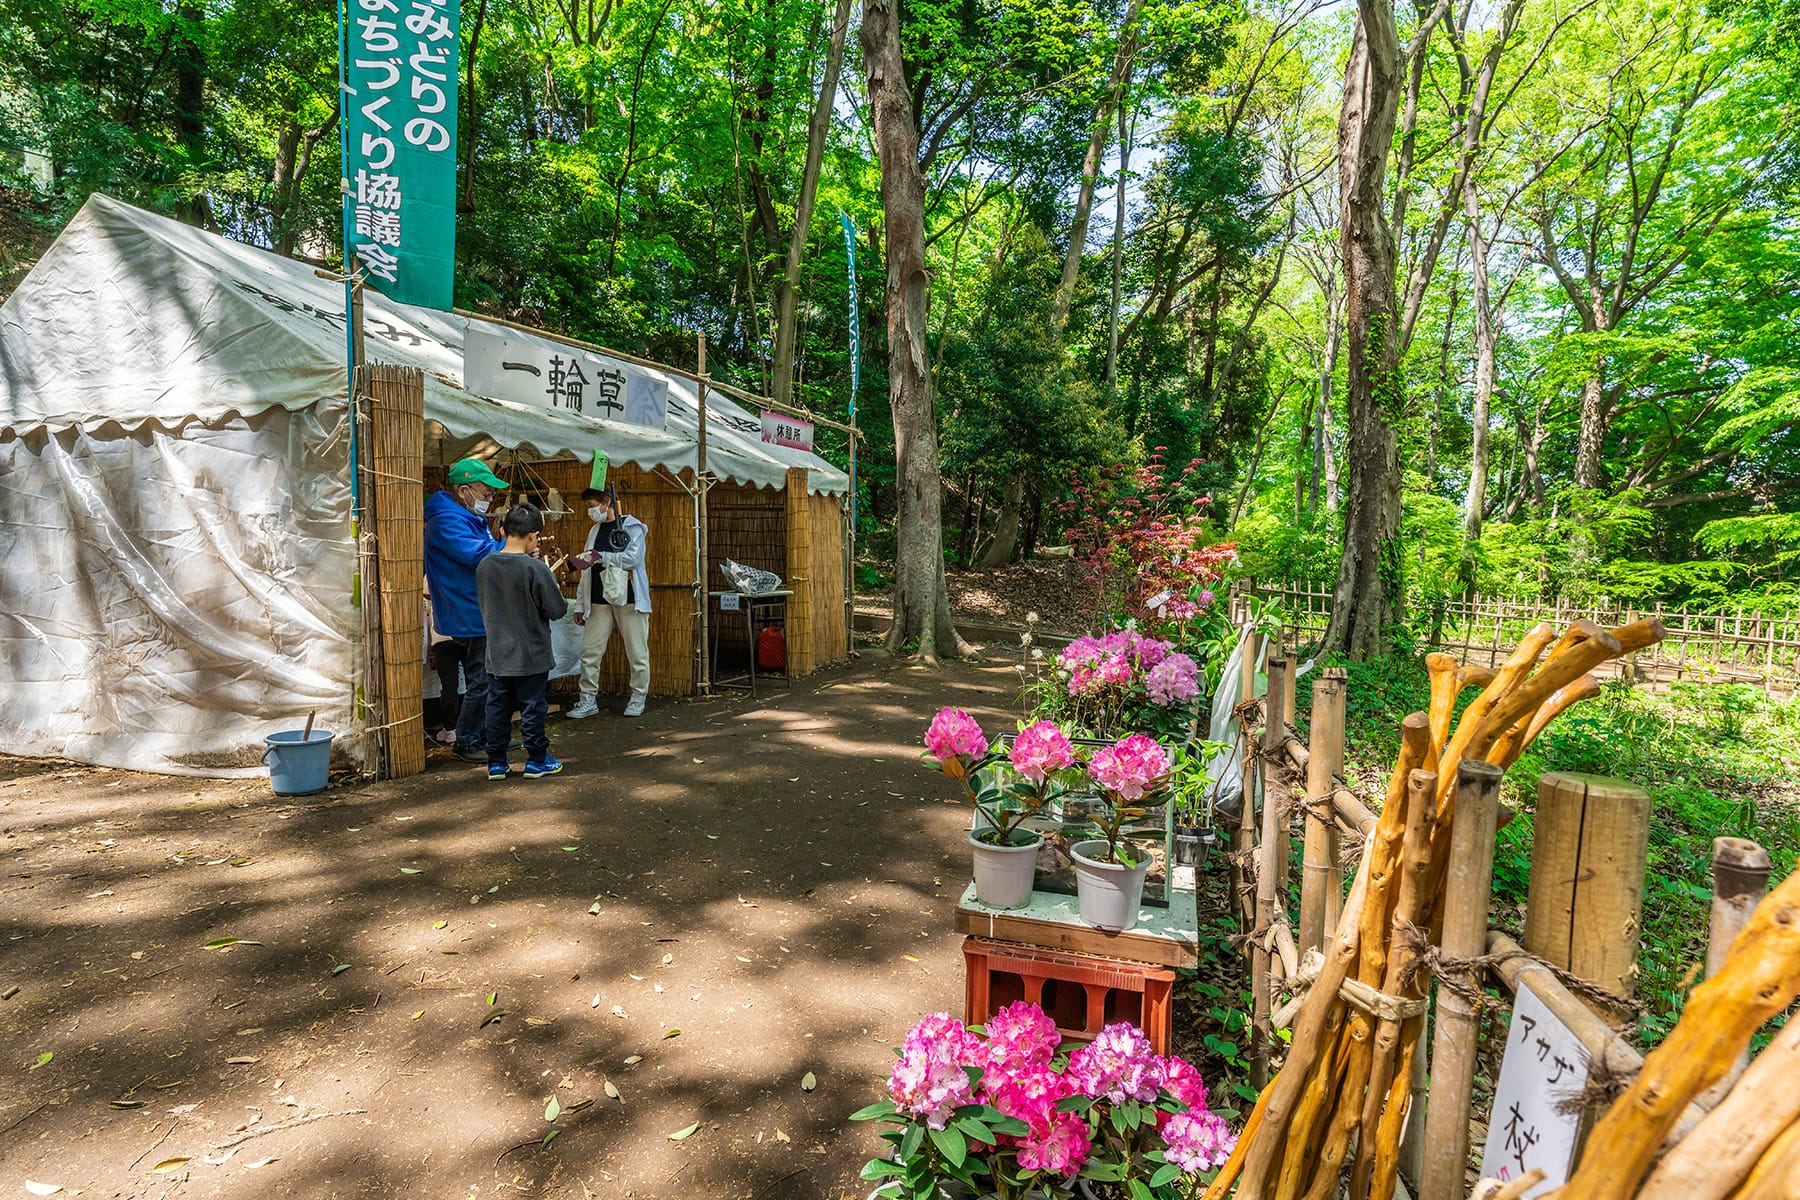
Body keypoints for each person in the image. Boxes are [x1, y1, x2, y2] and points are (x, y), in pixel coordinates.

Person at [476, 502, 569, 779]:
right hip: (531, 653)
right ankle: (537, 759)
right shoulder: (534, 569)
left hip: (496, 654)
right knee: (532, 707)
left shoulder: (485, 565)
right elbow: (557, 609)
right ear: (533, 536)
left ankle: (496, 762)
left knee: (497, 707)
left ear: (503, 530)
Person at [424, 457, 507, 762]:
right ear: (463, 491)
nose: (489, 499)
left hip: (478, 607)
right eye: (485, 493)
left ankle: (487, 737)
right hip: (467, 609)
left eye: (491, 495)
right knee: (480, 681)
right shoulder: (447, 521)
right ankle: (466, 741)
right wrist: (511, 546)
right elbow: (478, 556)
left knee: (489, 678)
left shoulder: (467, 518)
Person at [567, 484, 652, 719]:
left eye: (593, 506)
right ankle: (587, 700)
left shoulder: (633, 527)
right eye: (588, 507)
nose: (591, 511)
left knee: (637, 650)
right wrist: (580, 604)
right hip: (597, 599)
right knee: (590, 651)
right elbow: (586, 571)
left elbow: (633, 559)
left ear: (607, 502)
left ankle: (638, 696)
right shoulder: (594, 531)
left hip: (629, 598)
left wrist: (601, 557)